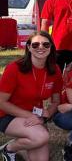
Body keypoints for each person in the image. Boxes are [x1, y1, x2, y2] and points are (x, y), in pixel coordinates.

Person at [0, 31, 62, 161]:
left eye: (46, 44)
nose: (41, 47)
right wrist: (31, 116)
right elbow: (1, 102)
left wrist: (47, 113)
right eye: (35, 45)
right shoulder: (14, 68)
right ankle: (9, 148)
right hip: (7, 115)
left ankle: (23, 144)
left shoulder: (55, 70)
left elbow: (56, 101)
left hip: (35, 114)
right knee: (41, 137)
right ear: (28, 47)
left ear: (51, 47)